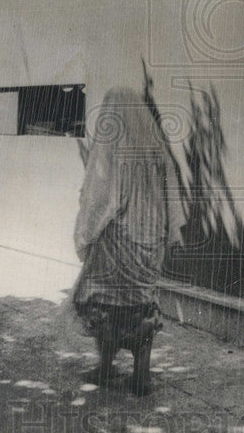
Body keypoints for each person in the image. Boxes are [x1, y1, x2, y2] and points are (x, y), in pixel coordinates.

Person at [71, 86, 186, 395]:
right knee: (142, 306)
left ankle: (106, 368)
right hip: (150, 243)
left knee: (103, 302)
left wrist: (85, 232)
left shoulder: (113, 144)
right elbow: (171, 192)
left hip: (120, 243)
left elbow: (100, 195)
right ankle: (141, 374)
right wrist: (168, 233)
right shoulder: (154, 146)